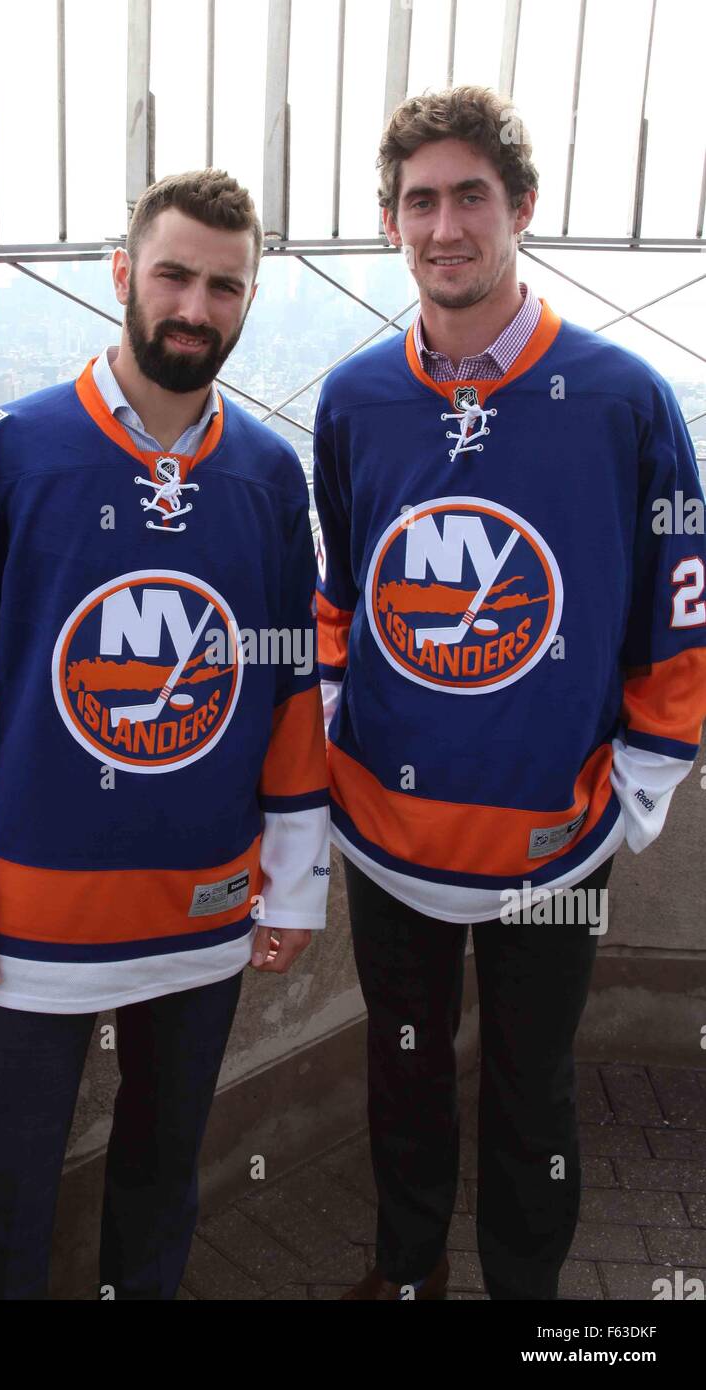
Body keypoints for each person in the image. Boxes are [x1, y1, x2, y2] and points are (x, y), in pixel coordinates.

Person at [0, 168, 330, 1300]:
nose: (196, 305)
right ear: (125, 273)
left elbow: (289, 690)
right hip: (29, 919)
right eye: (175, 274)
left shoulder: (274, 478)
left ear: (248, 299)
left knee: (163, 1165)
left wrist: (291, 882)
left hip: (204, 904)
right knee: (0, 1183)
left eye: (225, 285)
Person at [313, 86, 706, 1301]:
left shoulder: (623, 399)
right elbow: (341, 592)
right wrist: (335, 731)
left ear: (520, 208)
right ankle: (409, 1267)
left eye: (469, 196)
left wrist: (637, 787)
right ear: (390, 224)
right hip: (386, 833)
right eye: (418, 201)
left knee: (535, 1078)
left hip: (555, 834)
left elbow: (680, 601)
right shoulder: (352, 398)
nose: (445, 227)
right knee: (406, 1064)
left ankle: (526, 1292)